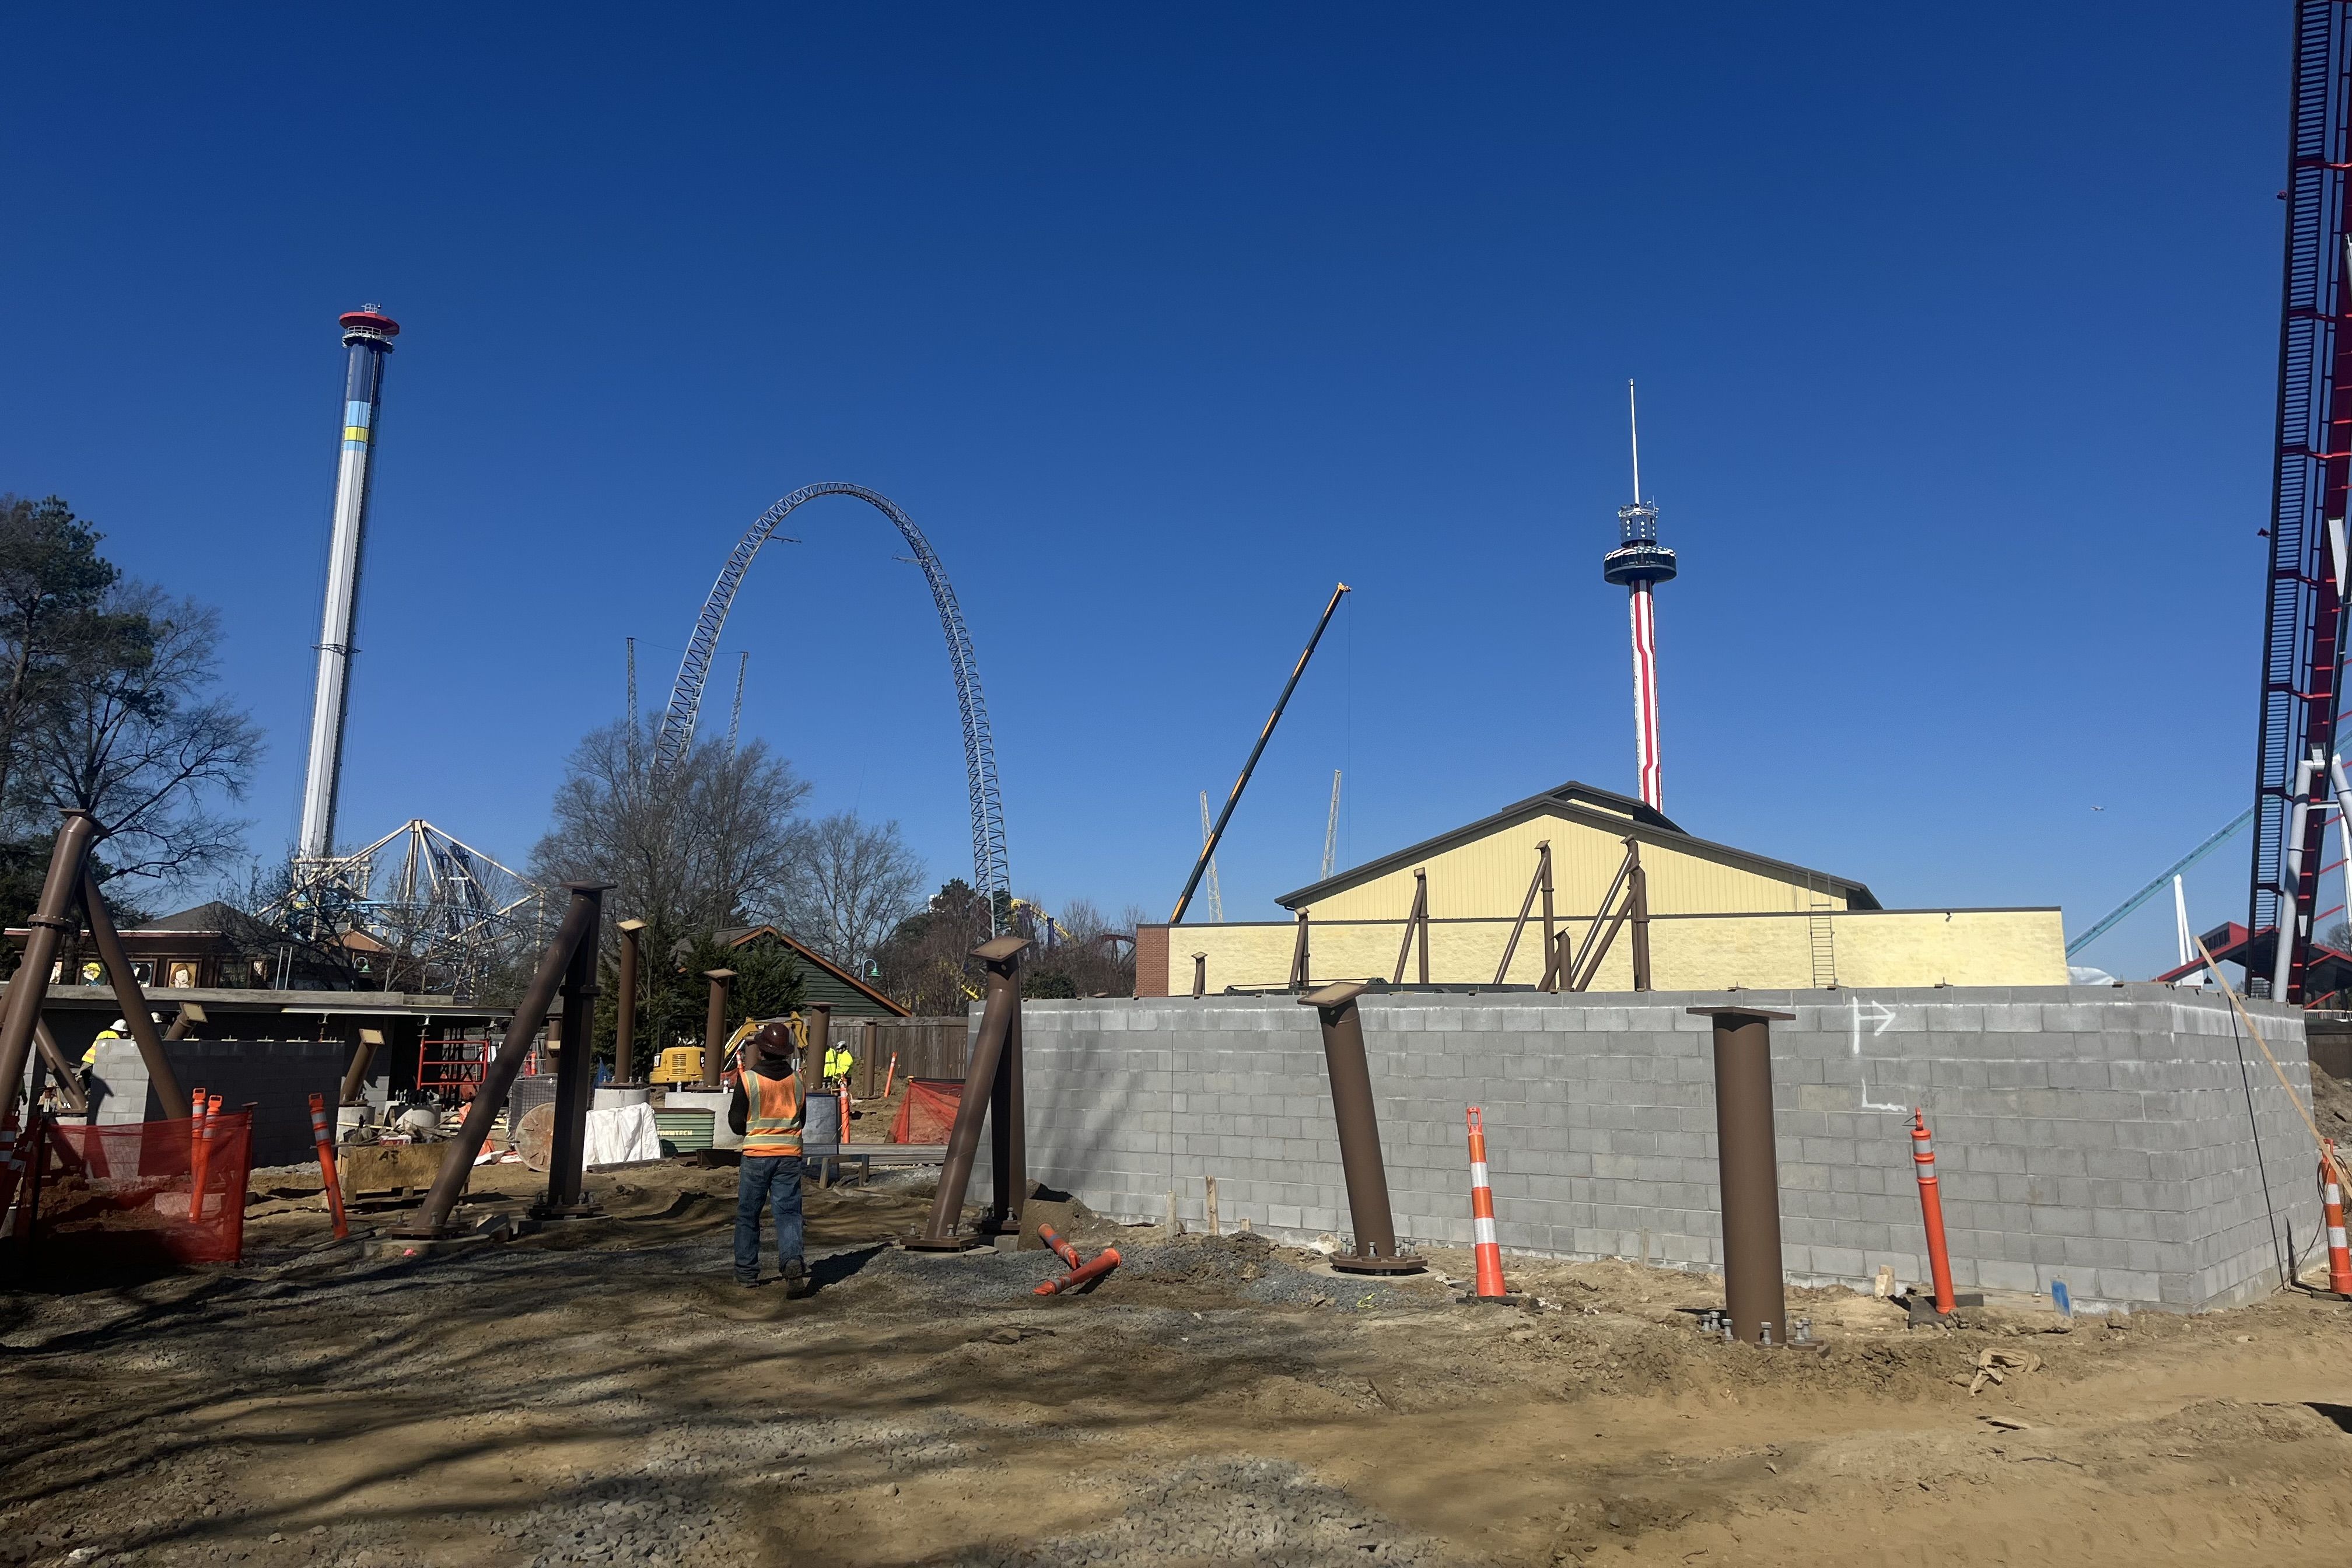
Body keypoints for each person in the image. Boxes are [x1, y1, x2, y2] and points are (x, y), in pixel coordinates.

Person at [728, 1019, 811, 1295]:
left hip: (756, 1157)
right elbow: (803, 1120)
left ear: (761, 1051)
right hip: (789, 1156)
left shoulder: (749, 1080)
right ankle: (792, 1262)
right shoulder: (798, 1081)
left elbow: (737, 1123)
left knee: (748, 1215)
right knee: (788, 1213)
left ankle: (747, 1273)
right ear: (786, 1052)